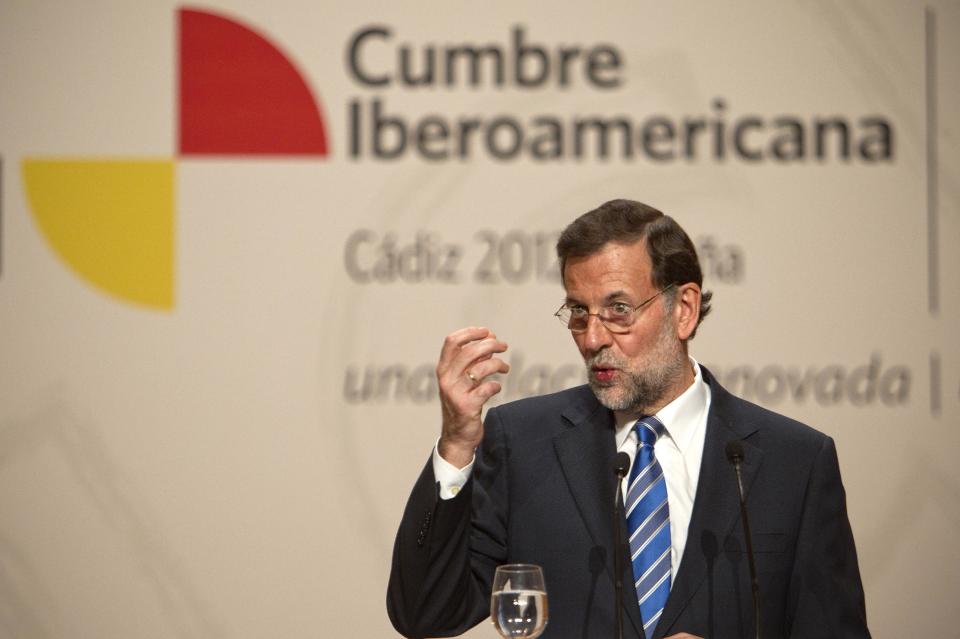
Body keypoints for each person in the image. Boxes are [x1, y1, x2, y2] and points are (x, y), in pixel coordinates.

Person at [387, 199, 870, 639]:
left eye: (618, 309)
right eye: (578, 311)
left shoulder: (794, 462)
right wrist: (456, 443)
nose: (593, 336)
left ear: (683, 310)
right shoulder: (522, 441)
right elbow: (426, 612)